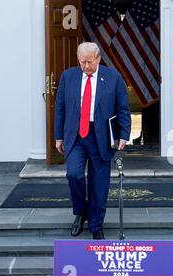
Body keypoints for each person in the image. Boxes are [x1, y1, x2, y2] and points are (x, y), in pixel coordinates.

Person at [55, 42, 131, 239]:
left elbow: (123, 107)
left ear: (98, 58)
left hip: (101, 137)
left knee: (99, 183)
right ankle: (81, 212)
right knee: (74, 175)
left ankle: (96, 224)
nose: (85, 66)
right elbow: (60, 108)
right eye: (82, 62)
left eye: (89, 62)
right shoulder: (68, 76)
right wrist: (58, 136)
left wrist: (124, 134)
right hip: (76, 136)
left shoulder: (113, 77)